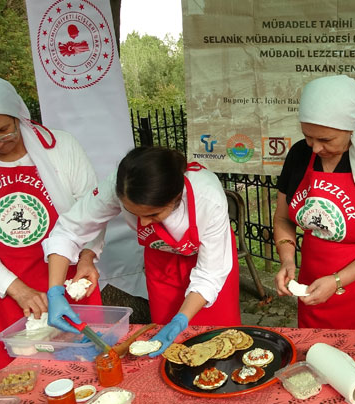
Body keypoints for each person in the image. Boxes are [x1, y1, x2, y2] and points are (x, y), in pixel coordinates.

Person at [0, 74, 103, 374]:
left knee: (85, 368)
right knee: (19, 379)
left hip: (67, 280)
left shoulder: (61, 147)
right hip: (2, 288)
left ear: (18, 115)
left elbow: (91, 211)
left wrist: (89, 255)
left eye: (3, 130)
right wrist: (19, 291)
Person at [44, 146, 241, 356]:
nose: (144, 222)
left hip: (210, 260)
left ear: (176, 198)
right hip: (161, 263)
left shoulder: (208, 197)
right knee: (168, 348)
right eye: (132, 212)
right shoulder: (120, 187)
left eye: (154, 214)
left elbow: (210, 274)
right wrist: (55, 291)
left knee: (219, 340)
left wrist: (181, 320)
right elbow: (69, 229)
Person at [273, 75, 355, 330]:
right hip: (313, 284)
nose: (314, 148)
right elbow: (282, 218)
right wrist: (288, 260)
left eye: (326, 140)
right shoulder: (299, 155)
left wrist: (337, 281)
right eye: (308, 136)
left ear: (350, 127)